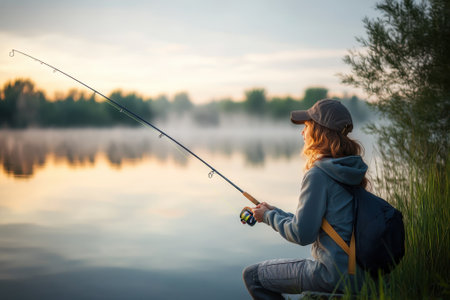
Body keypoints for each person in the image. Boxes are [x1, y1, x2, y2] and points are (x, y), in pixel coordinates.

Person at [242, 99, 369, 299]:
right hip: (358, 272)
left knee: (252, 276)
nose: (302, 132)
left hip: (331, 274)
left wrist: (267, 217)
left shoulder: (318, 173)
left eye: (307, 126)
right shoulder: (350, 169)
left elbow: (302, 235)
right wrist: (274, 212)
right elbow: (321, 224)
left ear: (319, 131)